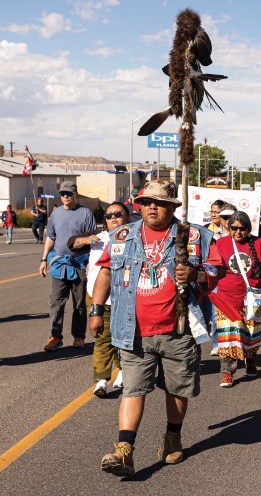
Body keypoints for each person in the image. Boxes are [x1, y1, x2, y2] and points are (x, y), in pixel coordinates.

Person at [89, 179, 213, 476]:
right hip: (132, 331)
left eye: (159, 203)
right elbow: (105, 274)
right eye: (146, 202)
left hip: (179, 330)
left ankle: (172, 437)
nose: (152, 207)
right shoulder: (121, 236)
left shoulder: (193, 236)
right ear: (139, 206)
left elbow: (215, 275)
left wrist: (195, 273)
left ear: (172, 207)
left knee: (177, 388)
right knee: (133, 388)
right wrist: (95, 311)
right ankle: (124, 451)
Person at [206, 211, 261, 388]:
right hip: (227, 298)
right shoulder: (221, 243)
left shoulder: (258, 243)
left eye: (241, 228)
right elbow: (213, 268)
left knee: (251, 334)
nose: (237, 232)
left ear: (248, 228)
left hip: (253, 299)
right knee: (227, 337)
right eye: (233, 228)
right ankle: (227, 372)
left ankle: (250, 359)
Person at [69, 202, 131, 396]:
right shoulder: (100, 239)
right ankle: (101, 379)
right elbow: (71, 243)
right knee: (102, 339)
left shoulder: (135, 238)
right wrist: (84, 240)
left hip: (126, 297)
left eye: (118, 214)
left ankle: (122, 371)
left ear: (127, 217)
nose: (113, 218)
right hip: (99, 298)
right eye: (109, 215)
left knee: (123, 338)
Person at [39, 180, 96, 351]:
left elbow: (92, 240)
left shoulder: (85, 213)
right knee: (56, 302)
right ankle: (55, 336)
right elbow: (51, 237)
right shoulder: (56, 213)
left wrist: (90, 263)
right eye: (62, 194)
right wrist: (43, 260)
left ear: (75, 194)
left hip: (79, 264)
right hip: (59, 264)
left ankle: (78, 336)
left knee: (79, 304)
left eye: (69, 193)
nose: (65, 196)